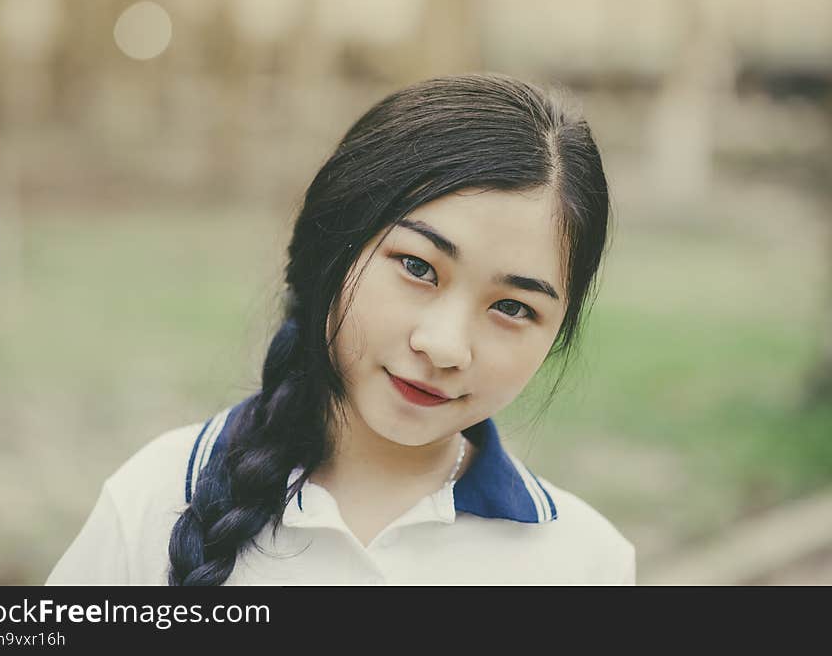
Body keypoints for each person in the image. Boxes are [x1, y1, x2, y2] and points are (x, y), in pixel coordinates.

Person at [46, 72, 635, 586]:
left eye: (512, 308)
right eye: (418, 267)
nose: (444, 346)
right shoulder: (157, 498)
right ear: (333, 248)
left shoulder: (585, 565)